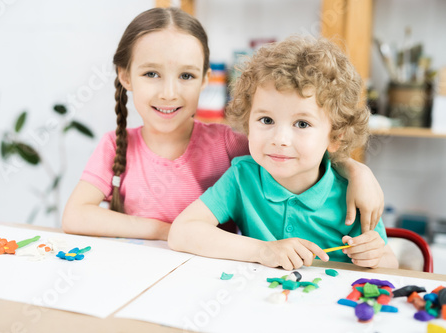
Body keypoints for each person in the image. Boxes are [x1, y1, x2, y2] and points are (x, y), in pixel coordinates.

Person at [62, 7, 384, 242]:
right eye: (151, 73)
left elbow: (296, 154)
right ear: (124, 76)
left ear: (205, 80)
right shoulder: (116, 145)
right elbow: (75, 215)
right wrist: (164, 230)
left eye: (186, 75)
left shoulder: (227, 142)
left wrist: (357, 171)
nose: (169, 92)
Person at [168, 36, 398, 270]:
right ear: (248, 122)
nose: (279, 140)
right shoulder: (242, 177)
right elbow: (182, 232)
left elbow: (391, 262)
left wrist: (375, 256)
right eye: (266, 120)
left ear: (336, 136)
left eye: (302, 124)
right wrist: (263, 251)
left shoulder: (354, 192)